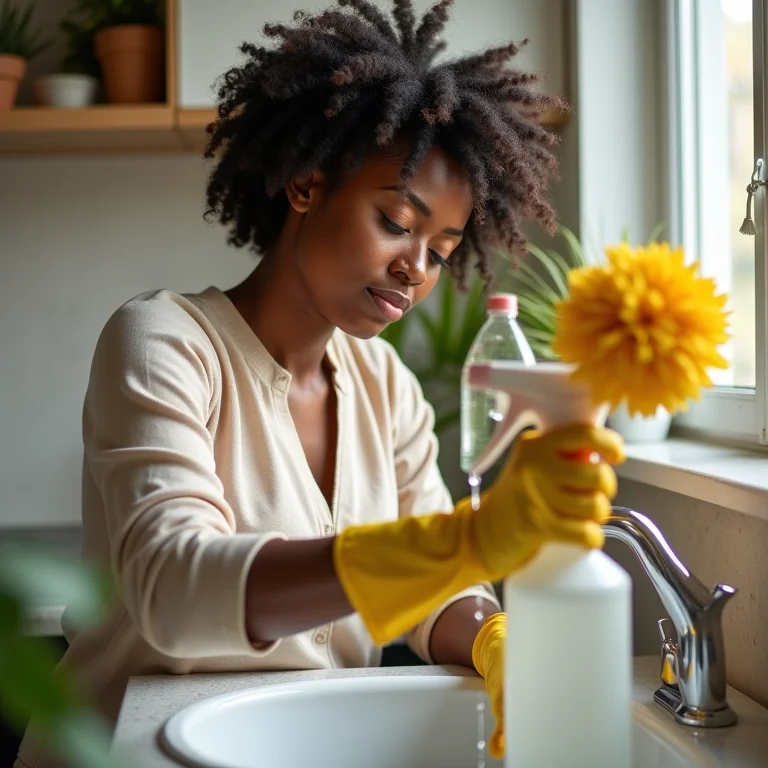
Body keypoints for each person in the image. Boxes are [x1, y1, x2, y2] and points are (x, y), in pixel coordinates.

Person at [15, 2, 624, 766]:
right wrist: (462, 542)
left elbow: (433, 590)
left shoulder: (386, 385)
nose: (416, 269)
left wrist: (494, 637)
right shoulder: (165, 341)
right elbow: (172, 589)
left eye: (441, 251)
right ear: (306, 185)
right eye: (396, 221)